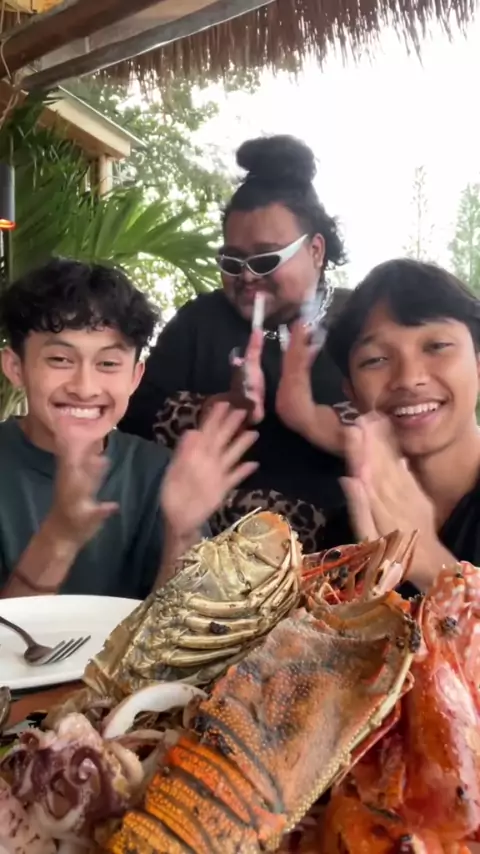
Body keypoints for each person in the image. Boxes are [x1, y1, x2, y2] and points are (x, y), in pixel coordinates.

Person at [119, 135, 355, 552]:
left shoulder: (358, 323)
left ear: (316, 250)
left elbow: (400, 431)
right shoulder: (200, 321)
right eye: (232, 261)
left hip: (332, 560)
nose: (246, 276)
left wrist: (309, 417)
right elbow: (132, 413)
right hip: (194, 554)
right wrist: (217, 408)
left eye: (265, 259)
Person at [0, 258, 258, 600]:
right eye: (60, 360)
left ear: (135, 377)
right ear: (15, 367)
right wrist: (59, 537)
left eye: (108, 363)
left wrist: (181, 535)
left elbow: (178, 626)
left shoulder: (160, 473)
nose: (85, 387)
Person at [280, 257, 480, 594]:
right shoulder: (349, 532)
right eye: (376, 360)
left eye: (436, 346)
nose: (409, 378)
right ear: (352, 393)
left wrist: (430, 564)